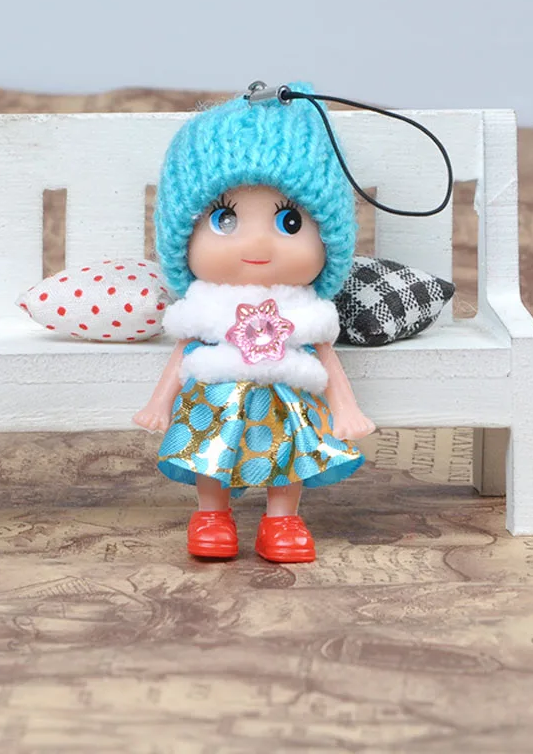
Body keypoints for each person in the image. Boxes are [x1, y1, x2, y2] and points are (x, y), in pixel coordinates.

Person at [133, 82, 375, 563]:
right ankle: (211, 514)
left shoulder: (304, 308)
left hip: (286, 398)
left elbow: (326, 358)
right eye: (225, 220)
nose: (258, 246)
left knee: (291, 451)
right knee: (208, 447)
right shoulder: (207, 304)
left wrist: (346, 409)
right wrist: (159, 403)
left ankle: (282, 519)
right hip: (215, 398)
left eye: (290, 223)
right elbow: (183, 353)